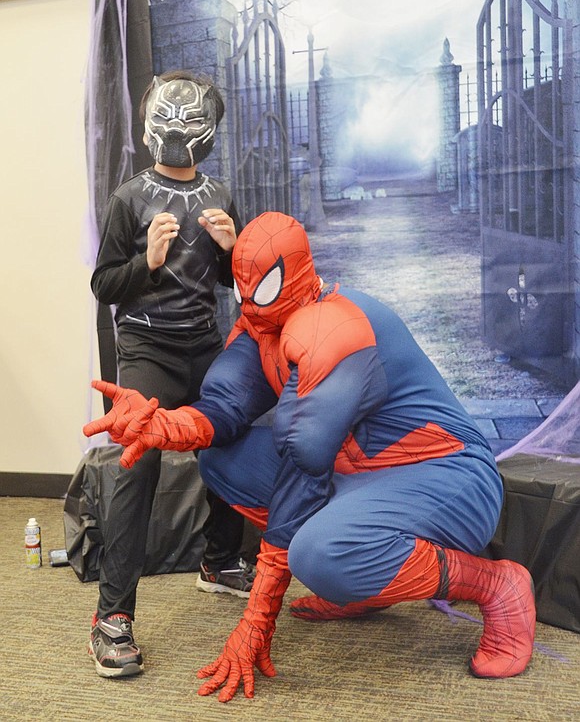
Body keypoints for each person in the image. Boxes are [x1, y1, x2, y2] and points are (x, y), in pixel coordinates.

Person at [84, 211, 536, 700]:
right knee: (221, 459)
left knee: (319, 554)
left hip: (447, 476)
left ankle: (495, 584)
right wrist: (161, 424)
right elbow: (224, 408)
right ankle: (362, 581)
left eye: (264, 287)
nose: (251, 303)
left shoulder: (334, 326)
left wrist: (257, 621)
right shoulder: (264, 323)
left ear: (293, 271)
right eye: (244, 289)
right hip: (357, 475)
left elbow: (304, 460)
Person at [86, 70, 255, 679]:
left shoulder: (221, 194)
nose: (180, 130)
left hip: (205, 345)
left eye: (191, 120)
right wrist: (149, 262)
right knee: (138, 459)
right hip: (147, 349)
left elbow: (244, 287)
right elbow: (104, 284)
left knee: (236, 434)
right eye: (171, 118)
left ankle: (221, 560)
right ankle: (113, 617)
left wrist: (235, 250)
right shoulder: (129, 198)